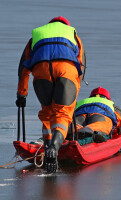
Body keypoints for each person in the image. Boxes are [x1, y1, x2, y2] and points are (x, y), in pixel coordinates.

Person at [15, 16, 86, 173]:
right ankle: (54, 147)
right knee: (62, 114)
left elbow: (23, 68)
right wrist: (72, 98)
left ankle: (48, 149)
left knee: (47, 114)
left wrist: (22, 94)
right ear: (65, 25)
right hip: (66, 70)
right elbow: (81, 67)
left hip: (41, 71)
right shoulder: (73, 34)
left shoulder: (37, 35)